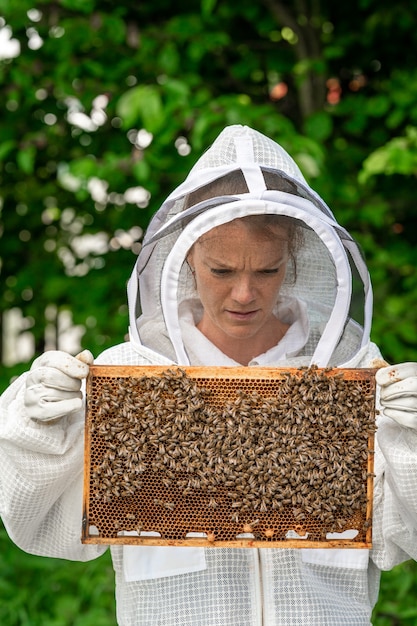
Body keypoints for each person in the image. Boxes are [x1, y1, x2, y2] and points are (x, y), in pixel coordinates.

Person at [1, 124, 417, 626]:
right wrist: (38, 426)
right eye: (222, 271)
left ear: (293, 261)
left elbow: (403, 535)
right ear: (187, 260)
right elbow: (37, 521)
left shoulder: (350, 372)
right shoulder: (132, 377)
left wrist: (410, 439)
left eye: (265, 271)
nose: (244, 294)